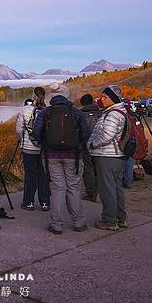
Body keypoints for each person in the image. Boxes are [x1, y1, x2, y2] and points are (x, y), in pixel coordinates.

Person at [32, 83, 90, 234]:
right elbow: (86, 135)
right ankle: (78, 222)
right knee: (73, 188)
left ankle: (56, 224)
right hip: (73, 157)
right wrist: (79, 147)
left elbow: (36, 133)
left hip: (51, 156)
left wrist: (45, 143)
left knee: (57, 188)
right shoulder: (76, 113)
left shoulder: (45, 112)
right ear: (66, 96)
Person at [87, 85, 129, 231]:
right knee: (116, 188)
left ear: (113, 98)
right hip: (117, 156)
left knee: (107, 189)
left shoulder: (112, 114)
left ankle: (109, 220)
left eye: (105, 97)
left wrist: (92, 144)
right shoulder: (119, 111)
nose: (102, 99)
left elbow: (107, 136)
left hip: (107, 155)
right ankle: (121, 217)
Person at [16, 87, 49, 211]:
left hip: (28, 148)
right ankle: (45, 202)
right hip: (44, 148)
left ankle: (29, 202)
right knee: (43, 175)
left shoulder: (25, 110)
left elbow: (19, 130)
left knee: (30, 175)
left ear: (33, 96)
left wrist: (21, 140)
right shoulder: (48, 110)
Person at [79, 94, 101, 202]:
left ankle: (91, 193)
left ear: (82, 103)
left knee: (88, 169)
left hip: (86, 145)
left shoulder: (80, 114)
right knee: (99, 169)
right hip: (100, 145)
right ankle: (100, 191)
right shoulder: (101, 113)